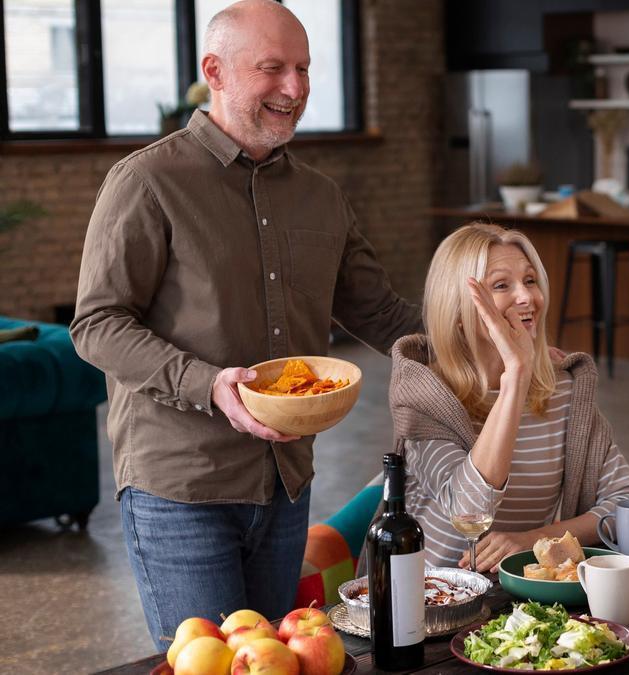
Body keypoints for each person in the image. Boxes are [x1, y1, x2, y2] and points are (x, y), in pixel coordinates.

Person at [70, 0, 421, 649]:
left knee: (278, 662)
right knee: (216, 664)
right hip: (181, 487)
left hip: (286, 483)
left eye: (304, 69)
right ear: (215, 71)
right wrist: (208, 383)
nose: (295, 88)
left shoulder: (321, 195)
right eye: (273, 68)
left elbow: (379, 310)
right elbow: (96, 323)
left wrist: (475, 346)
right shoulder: (146, 181)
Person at [379, 223, 629, 572]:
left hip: (513, 600)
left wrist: (535, 539)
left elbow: (628, 504)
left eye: (531, 280)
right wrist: (516, 377)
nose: (527, 297)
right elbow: (468, 511)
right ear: (458, 310)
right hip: (429, 596)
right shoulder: (424, 395)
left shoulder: (564, 389)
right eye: (502, 285)